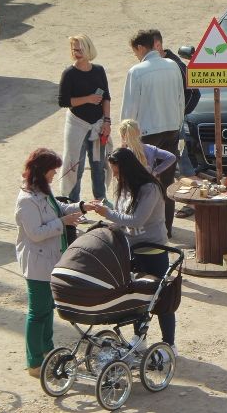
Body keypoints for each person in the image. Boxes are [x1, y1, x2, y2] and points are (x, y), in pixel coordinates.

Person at [89, 148, 176, 353]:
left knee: (162, 299)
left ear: (128, 169)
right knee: (137, 298)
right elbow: (122, 217)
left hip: (154, 252)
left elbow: (137, 220)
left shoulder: (150, 188)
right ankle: (139, 337)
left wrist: (108, 213)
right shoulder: (125, 187)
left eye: (117, 172)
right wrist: (108, 223)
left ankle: (169, 345)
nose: (115, 176)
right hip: (133, 250)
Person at [15, 147, 84, 377]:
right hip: (37, 263)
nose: (55, 174)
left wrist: (81, 206)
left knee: (47, 309)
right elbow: (35, 233)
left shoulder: (43, 190)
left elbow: (58, 209)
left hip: (50, 259)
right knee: (38, 312)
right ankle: (34, 362)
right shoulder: (26, 200)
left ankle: (47, 350)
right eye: (52, 170)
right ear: (42, 170)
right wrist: (63, 222)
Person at [121, 30, 184, 238]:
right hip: (172, 128)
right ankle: (166, 228)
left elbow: (130, 108)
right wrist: (178, 123)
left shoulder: (136, 71)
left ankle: (147, 227)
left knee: (142, 182)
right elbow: (180, 99)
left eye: (135, 51)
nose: (135, 55)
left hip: (147, 133)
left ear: (141, 48)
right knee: (167, 180)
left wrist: (125, 137)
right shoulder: (173, 65)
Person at [149, 28, 200, 218]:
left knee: (182, 166)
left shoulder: (176, 66)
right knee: (171, 166)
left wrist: (178, 114)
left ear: (157, 45)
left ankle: (194, 202)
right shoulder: (157, 65)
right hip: (161, 124)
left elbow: (194, 93)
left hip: (174, 126)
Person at [58, 34, 112, 203]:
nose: (77, 53)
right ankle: (74, 204)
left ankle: (101, 199)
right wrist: (88, 99)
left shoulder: (99, 70)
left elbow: (106, 97)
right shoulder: (69, 73)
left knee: (99, 165)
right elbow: (63, 101)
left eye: (80, 49)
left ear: (88, 49)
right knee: (75, 166)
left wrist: (107, 121)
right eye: (74, 49)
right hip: (77, 125)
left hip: (98, 124)